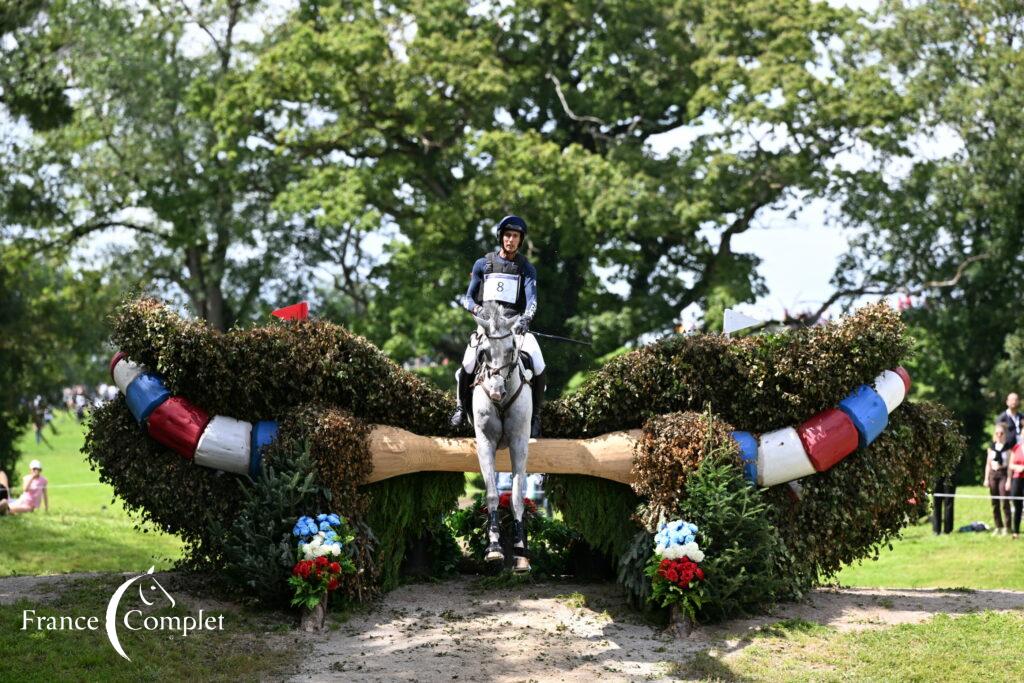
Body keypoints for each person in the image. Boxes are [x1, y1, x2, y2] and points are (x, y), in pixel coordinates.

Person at [450, 214, 546, 437]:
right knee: (468, 362)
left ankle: (536, 416)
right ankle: (460, 409)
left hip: (514, 327)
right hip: (488, 328)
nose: (510, 240)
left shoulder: (526, 268)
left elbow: (532, 300)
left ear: (520, 240)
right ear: (501, 238)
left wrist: (526, 319)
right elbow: (468, 298)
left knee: (539, 364)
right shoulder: (483, 264)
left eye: (515, 236)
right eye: (507, 235)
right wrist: (478, 311)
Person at [984, 423, 1012, 535]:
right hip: (992, 474)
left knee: (1005, 500)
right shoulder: (991, 447)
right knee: (994, 502)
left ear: (1005, 434)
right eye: (997, 433)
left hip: (1003, 474)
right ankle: (998, 526)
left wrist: (1009, 480)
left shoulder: (1008, 448)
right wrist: (986, 478)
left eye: (1001, 433)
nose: (999, 435)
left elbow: (1010, 465)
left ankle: (1007, 526)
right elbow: (988, 464)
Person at [1009, 440, 1024, 539]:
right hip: (1017, 479)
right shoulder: (1016, 447)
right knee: (1016, 505)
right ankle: (1016, 532)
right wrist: (1018, 467)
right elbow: (1010, 465)